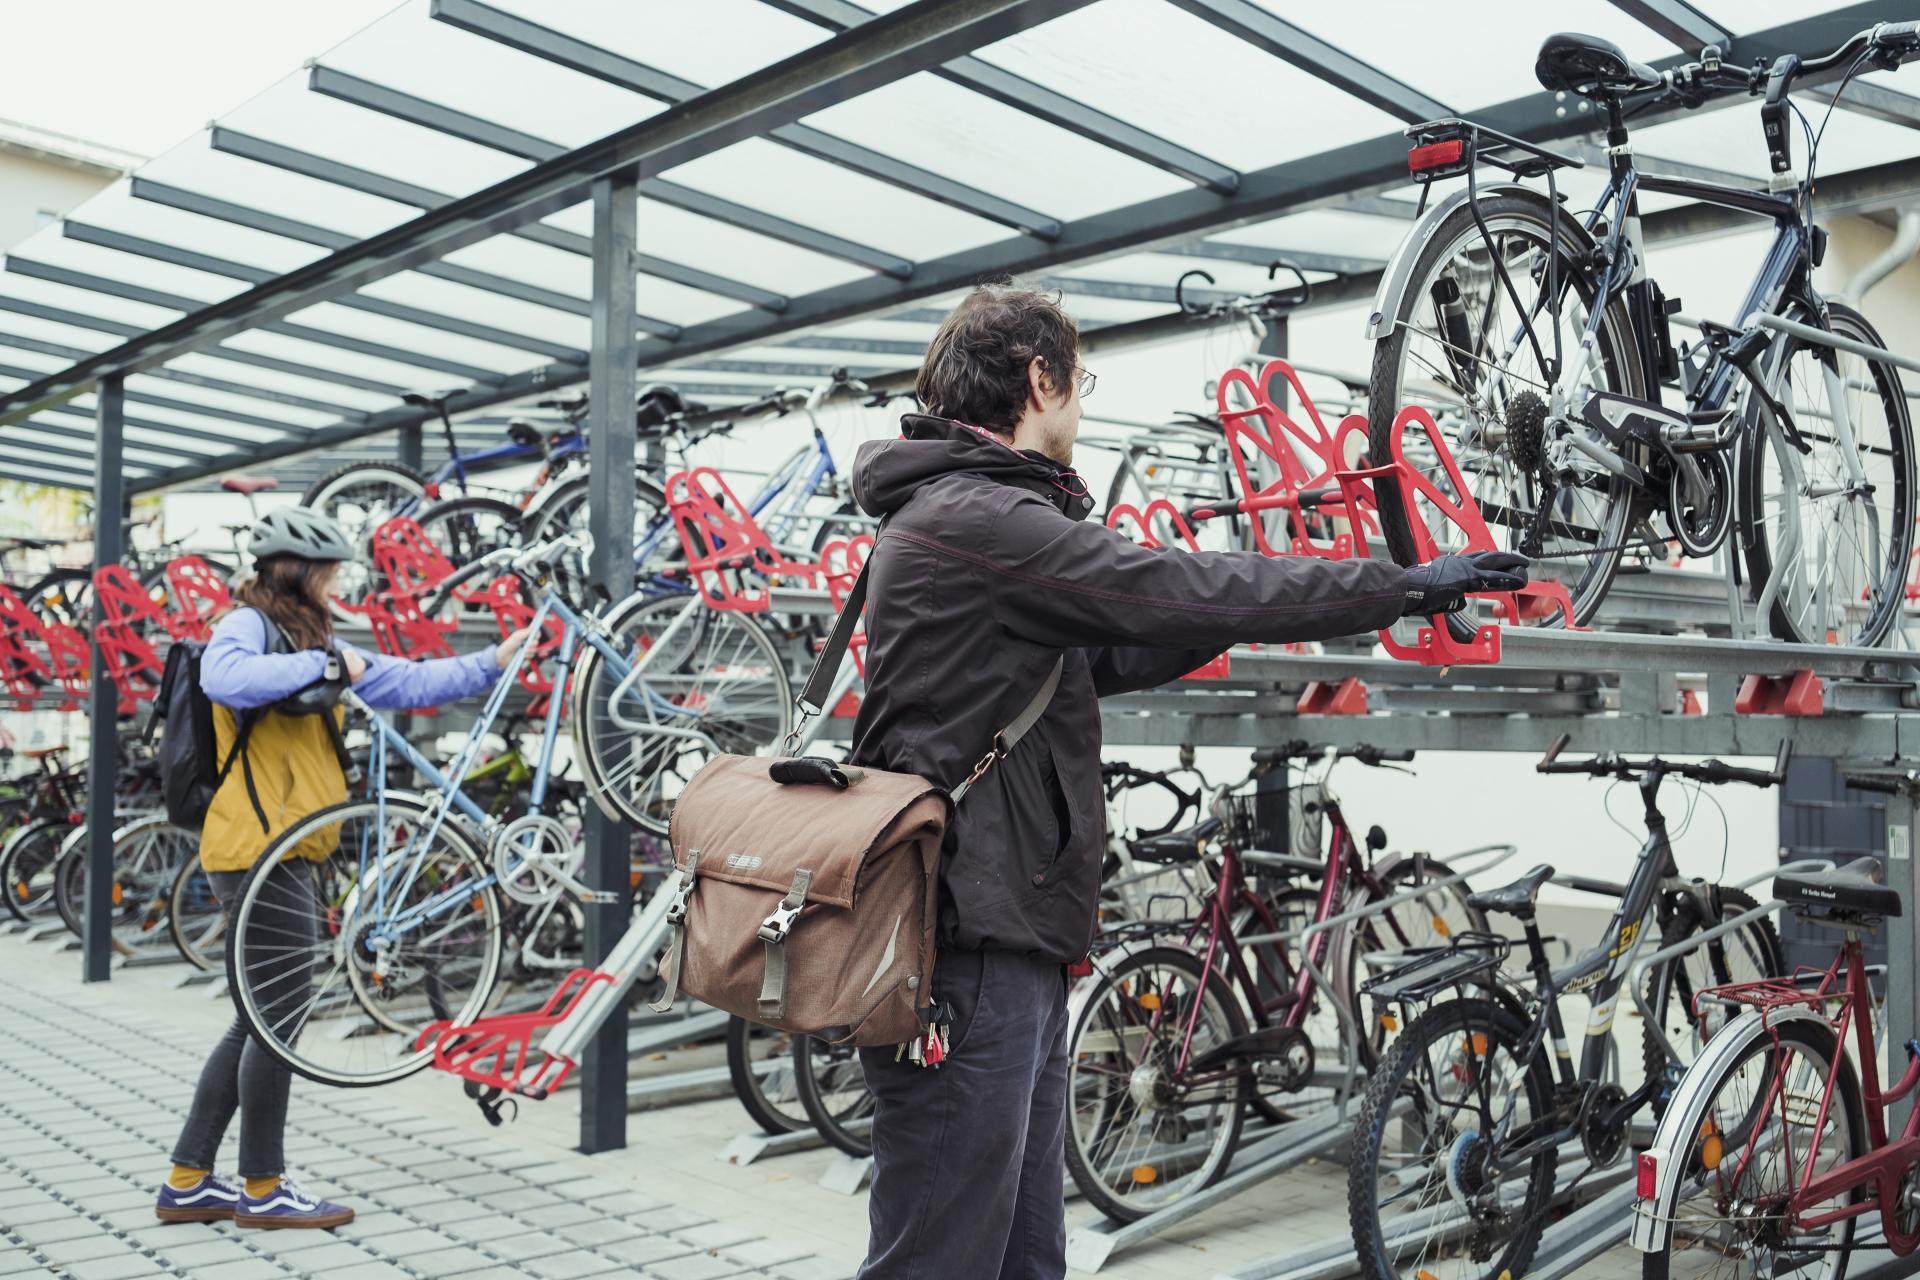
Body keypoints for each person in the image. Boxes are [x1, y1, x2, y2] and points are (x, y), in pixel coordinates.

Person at [846, 282, 1526, 1279]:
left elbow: (1113, 645)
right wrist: (1396, 581)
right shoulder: (979, 519)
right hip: (968, 952)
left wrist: (1247, 613)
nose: (1079, 403)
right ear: (1042, 379)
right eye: (1079, 382)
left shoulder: (967, 519)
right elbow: (1168, 585)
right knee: (939, 1260)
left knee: (1027, 1259)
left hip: (1007, 943)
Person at [155, 507, 532, 1231]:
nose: (335, 583)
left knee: (256, 1020)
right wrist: (328, 665)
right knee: (276, 1022)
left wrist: (494, 660)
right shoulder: (247, 628)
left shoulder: (314, 636)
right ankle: (262, 1187)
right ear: (296, 572)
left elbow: (405, 681)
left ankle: (188, 1180)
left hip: (289, 847)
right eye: (326, 572)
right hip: (259, 849)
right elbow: (223, 676)